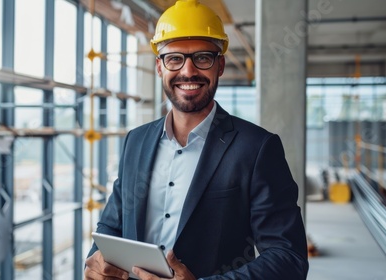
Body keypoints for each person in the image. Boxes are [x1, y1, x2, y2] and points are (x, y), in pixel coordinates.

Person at [84, 0, 309, 279]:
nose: (188, 71)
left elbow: (288, 257)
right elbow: (111, 226)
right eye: (175, 58)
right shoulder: (136, 141)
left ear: (220, 65)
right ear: (159, 67)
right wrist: (95, 261)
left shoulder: (257, 148)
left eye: (202, 57)